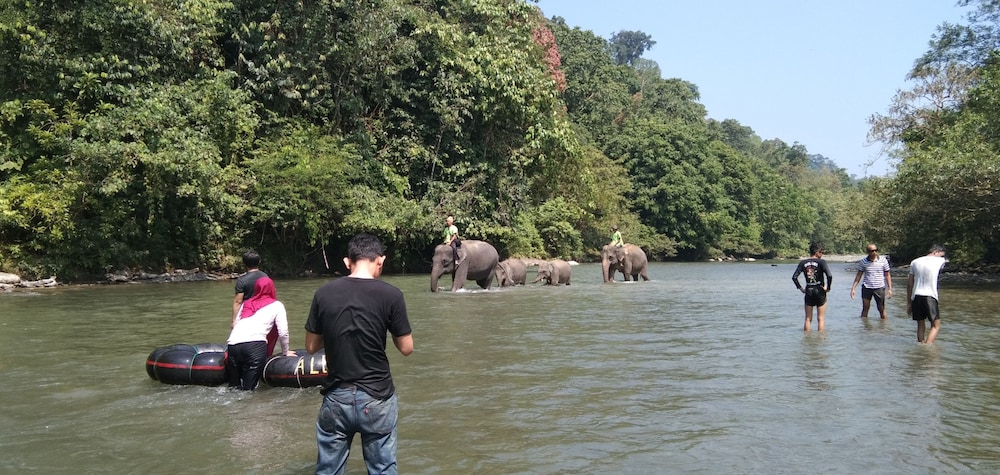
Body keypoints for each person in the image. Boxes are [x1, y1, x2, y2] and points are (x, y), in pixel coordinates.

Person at [305, 233, 414, 475]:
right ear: (380, 260)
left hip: (336, 397)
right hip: (377, 398)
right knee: (382, 468)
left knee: (328, 470)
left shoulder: (323, 294)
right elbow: (406, 348)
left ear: (347, 262)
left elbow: (311, 347)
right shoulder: (392, 295)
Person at [226, 276, 292, 390]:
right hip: (254, 346)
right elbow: (283, 332)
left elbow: (236, 324)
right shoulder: (277, 305)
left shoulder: (246, 304)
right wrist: (286, 352)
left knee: (234, 388)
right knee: (249, 390)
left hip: (233, 345)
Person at [907, 244, 947, 345]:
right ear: (935, 252)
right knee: (936, 326)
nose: (942, 257)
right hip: (930, 296)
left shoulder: (915, 262)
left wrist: (909, 302)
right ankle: (927, 347)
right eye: (941, 255)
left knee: (920, 324)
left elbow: (910, 283)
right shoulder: (940, 261)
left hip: (916, 296)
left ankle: (920, 344)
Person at [791, 242, 833, 331]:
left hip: (809, 289)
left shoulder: (803, 262)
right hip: (819, 289)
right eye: (822, 252)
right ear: (817, 252)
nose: (822, 254)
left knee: (808, 318)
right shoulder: (822, 262)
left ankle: (807, 339)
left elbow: (794, 277)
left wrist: (801, 288)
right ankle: (821, 339)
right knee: (820, 318)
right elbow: (829, 276)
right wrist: (828, 288)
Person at [850, 244, 893, 319]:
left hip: (879, 287)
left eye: (876, 250)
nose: (874, 252)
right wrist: (853, 288)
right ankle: (864, 328)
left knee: (881, 309)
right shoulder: (863, 262)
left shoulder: (883, 260)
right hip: (867, 287)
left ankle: (884, 328)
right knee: (865, 308)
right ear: (868, 252)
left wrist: (889, 289)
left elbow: (887, 275)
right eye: (872, 251)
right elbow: (858, 276)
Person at [232, 249, 267, 326]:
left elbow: (238, 302)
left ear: (244, 263)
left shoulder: (242, 280)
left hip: (247, 314)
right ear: (259, 261)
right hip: (264, 313)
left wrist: (234, 320)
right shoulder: (266, 278)